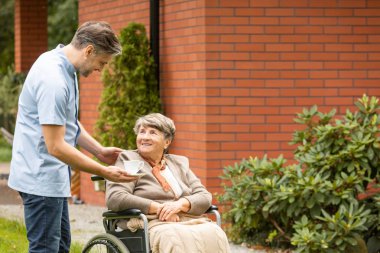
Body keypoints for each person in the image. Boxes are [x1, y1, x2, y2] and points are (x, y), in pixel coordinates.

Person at [8, 21, 137, 253]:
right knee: (46, 249)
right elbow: (56, 147)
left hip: (50, 177)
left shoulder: (64, 67)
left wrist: (98, 150)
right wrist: (104, 171)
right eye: (102, 62)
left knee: (60, 246)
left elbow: (66, 121)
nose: (101, 69)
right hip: (41, 178)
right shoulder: (54, 81)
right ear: (88, 50)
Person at [106, 113, 230, 253]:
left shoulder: (179, 163)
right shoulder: (129, 160)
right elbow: (115, 197)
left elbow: (204, 196)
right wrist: (160, 209)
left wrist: (179, 205)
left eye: (153, 132)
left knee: (215, 233)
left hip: (185, 219)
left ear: (167, 142)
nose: (145, 137)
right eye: (142, 131)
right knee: (173, 238)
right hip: (151, 222)